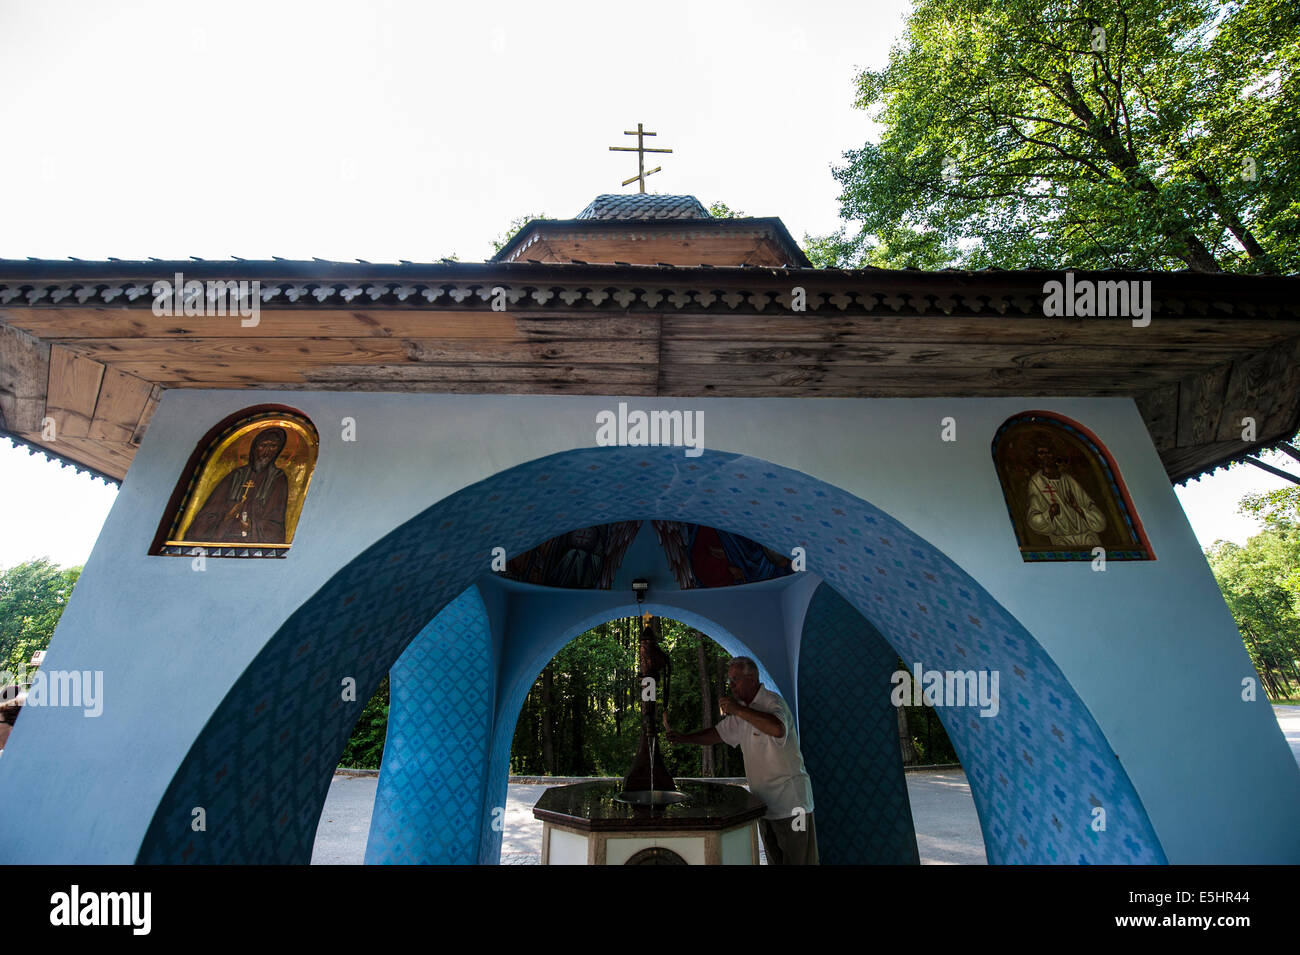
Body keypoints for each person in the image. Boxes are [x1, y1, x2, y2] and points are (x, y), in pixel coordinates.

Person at [665, 656, 817, 865]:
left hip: (793, 806)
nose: (731, 685)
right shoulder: (741, 713)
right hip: (765, 807)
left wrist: (738, 710)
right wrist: (683, 738)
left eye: (735, 679)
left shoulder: (772, 702)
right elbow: (716, 734)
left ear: (752, 678)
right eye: (729, 680)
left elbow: (777, 728)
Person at [186, 427, 290, 544]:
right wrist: (227, 516)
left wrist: (252, 526)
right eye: (263, 445)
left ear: (278, 450)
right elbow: (208, 512)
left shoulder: (277, 478)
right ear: (254, 448)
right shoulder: (236, 475)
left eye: (273, 446)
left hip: (253, 540)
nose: (267, 452)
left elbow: (275, 521)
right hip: (222, 537)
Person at [1025, 440, 1106, 547]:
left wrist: (1078, 509)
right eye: (1041, 453)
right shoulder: (1036, 483)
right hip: (1062, 540)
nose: (1046, 456)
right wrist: (1049, 513)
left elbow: (1099, 520)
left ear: (1054, 455)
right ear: (1036, 457)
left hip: (1088, 537)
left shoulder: (1069, 480)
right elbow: (1033, 519)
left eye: (1049, 452)